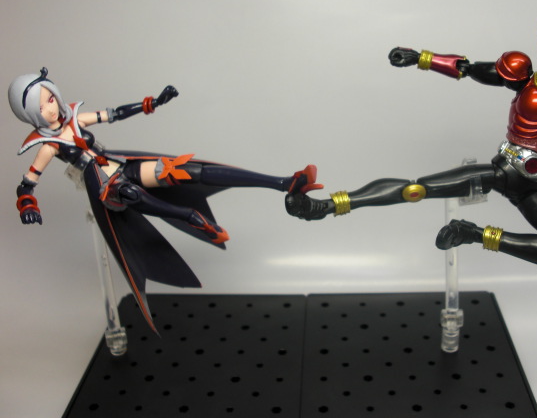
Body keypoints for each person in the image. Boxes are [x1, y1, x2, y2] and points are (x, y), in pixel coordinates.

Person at [286, 12, 537, 272]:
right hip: (500, 170)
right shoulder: (526, 79)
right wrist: (422, 58)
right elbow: (470, 69)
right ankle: (325, 207)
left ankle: (471, 234)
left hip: (531, 187)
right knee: (417, 189)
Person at [9, 67, 321, 332]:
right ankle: (190, 217)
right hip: (105, 186)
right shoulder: (47, 144)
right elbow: (28, 183)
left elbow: (114, 114)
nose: (50, 108)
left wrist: (152, 103)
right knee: (130, 194)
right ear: (31, 114)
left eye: (50, 99)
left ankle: (283, 182)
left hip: (121, 164)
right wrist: (28, 206)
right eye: (42, 106)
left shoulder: (76, 119)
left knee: (186, 170)